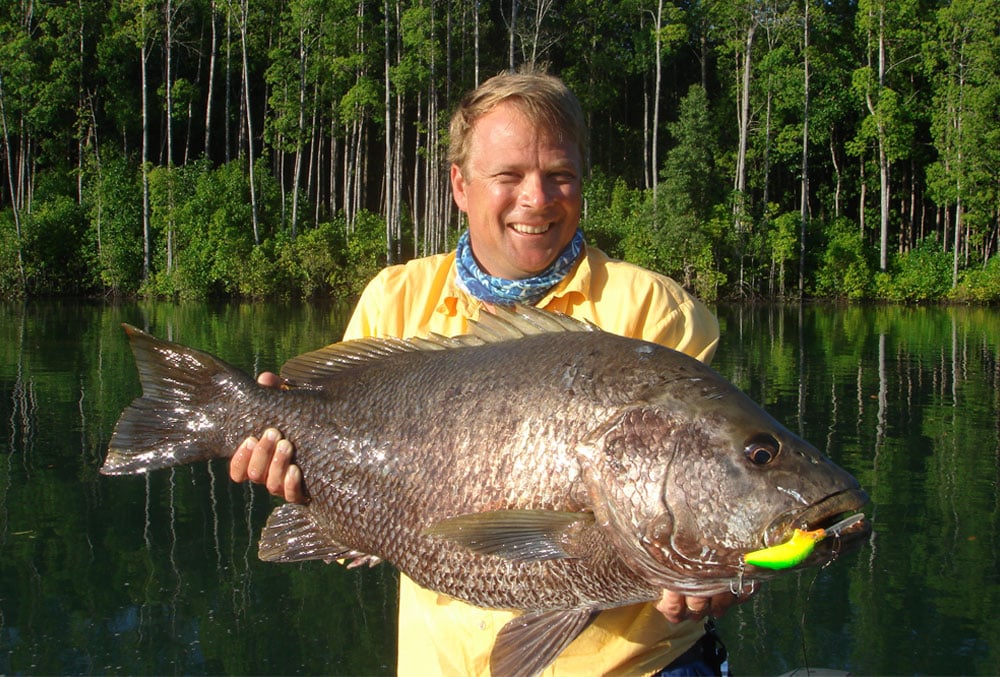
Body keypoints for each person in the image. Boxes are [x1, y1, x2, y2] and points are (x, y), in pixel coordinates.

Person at [230, 68, 744, 675]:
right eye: (509, 176)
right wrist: (299, 477)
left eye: (560, 175)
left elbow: (709, 492)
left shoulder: (656, 312)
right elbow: (359, 493)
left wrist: (724, 574)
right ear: (460, 185)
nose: (537, 198)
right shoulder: (395, 300)